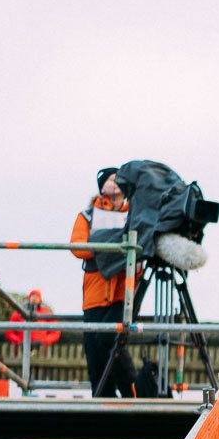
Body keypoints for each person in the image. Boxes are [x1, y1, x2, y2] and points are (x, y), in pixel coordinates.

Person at [70, 167, 138, 397]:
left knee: (109, 339)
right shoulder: (87, 215)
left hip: (123, 292)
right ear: (102, 186)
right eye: (111, 179)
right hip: (94, 293)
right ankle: (102, 398)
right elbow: (77, 247)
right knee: (94, 350)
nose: (116, 182)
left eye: (120, 179)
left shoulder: (135, 214)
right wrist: (112, 246)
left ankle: (131, 391)